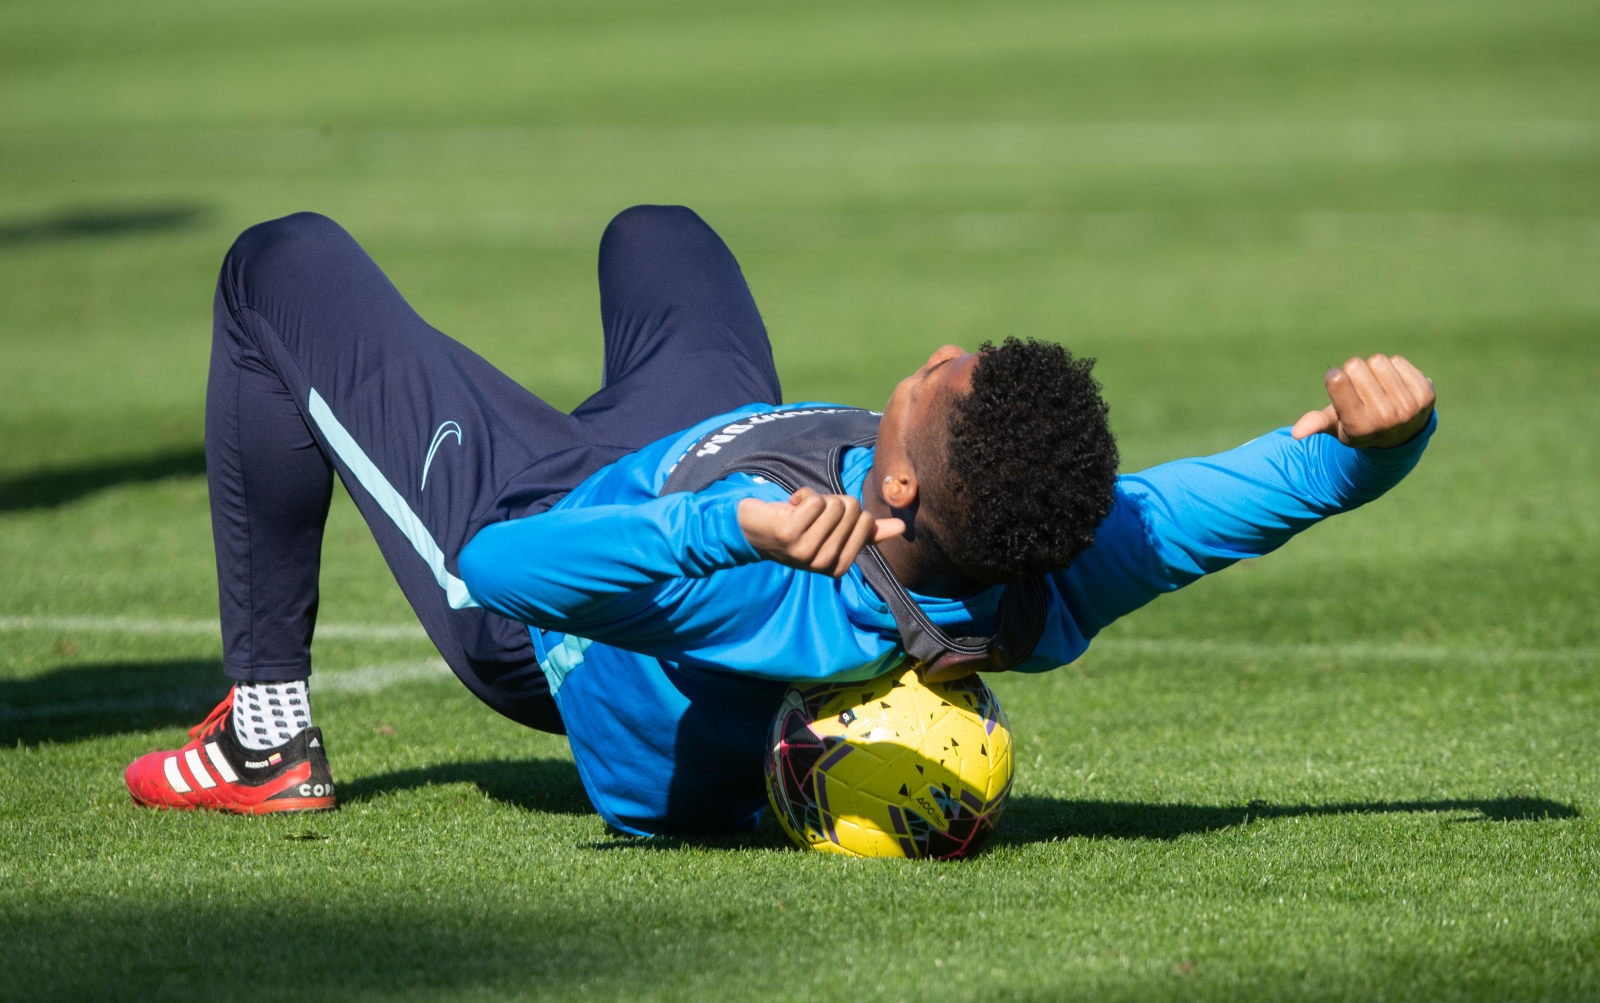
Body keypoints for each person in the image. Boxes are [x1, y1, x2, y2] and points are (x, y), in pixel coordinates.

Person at [124, 206, 1437, 833]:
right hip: (699, 442)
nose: (933, 352)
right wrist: (1377, 447)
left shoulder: (767, 587)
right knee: (660, 236)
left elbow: (503, 566)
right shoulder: (1063, 550)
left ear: (903, 488)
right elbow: (1238, 499)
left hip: (564, 562)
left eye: (938, 382)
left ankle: (263, 735)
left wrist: (722, 529)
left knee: (280, 267)